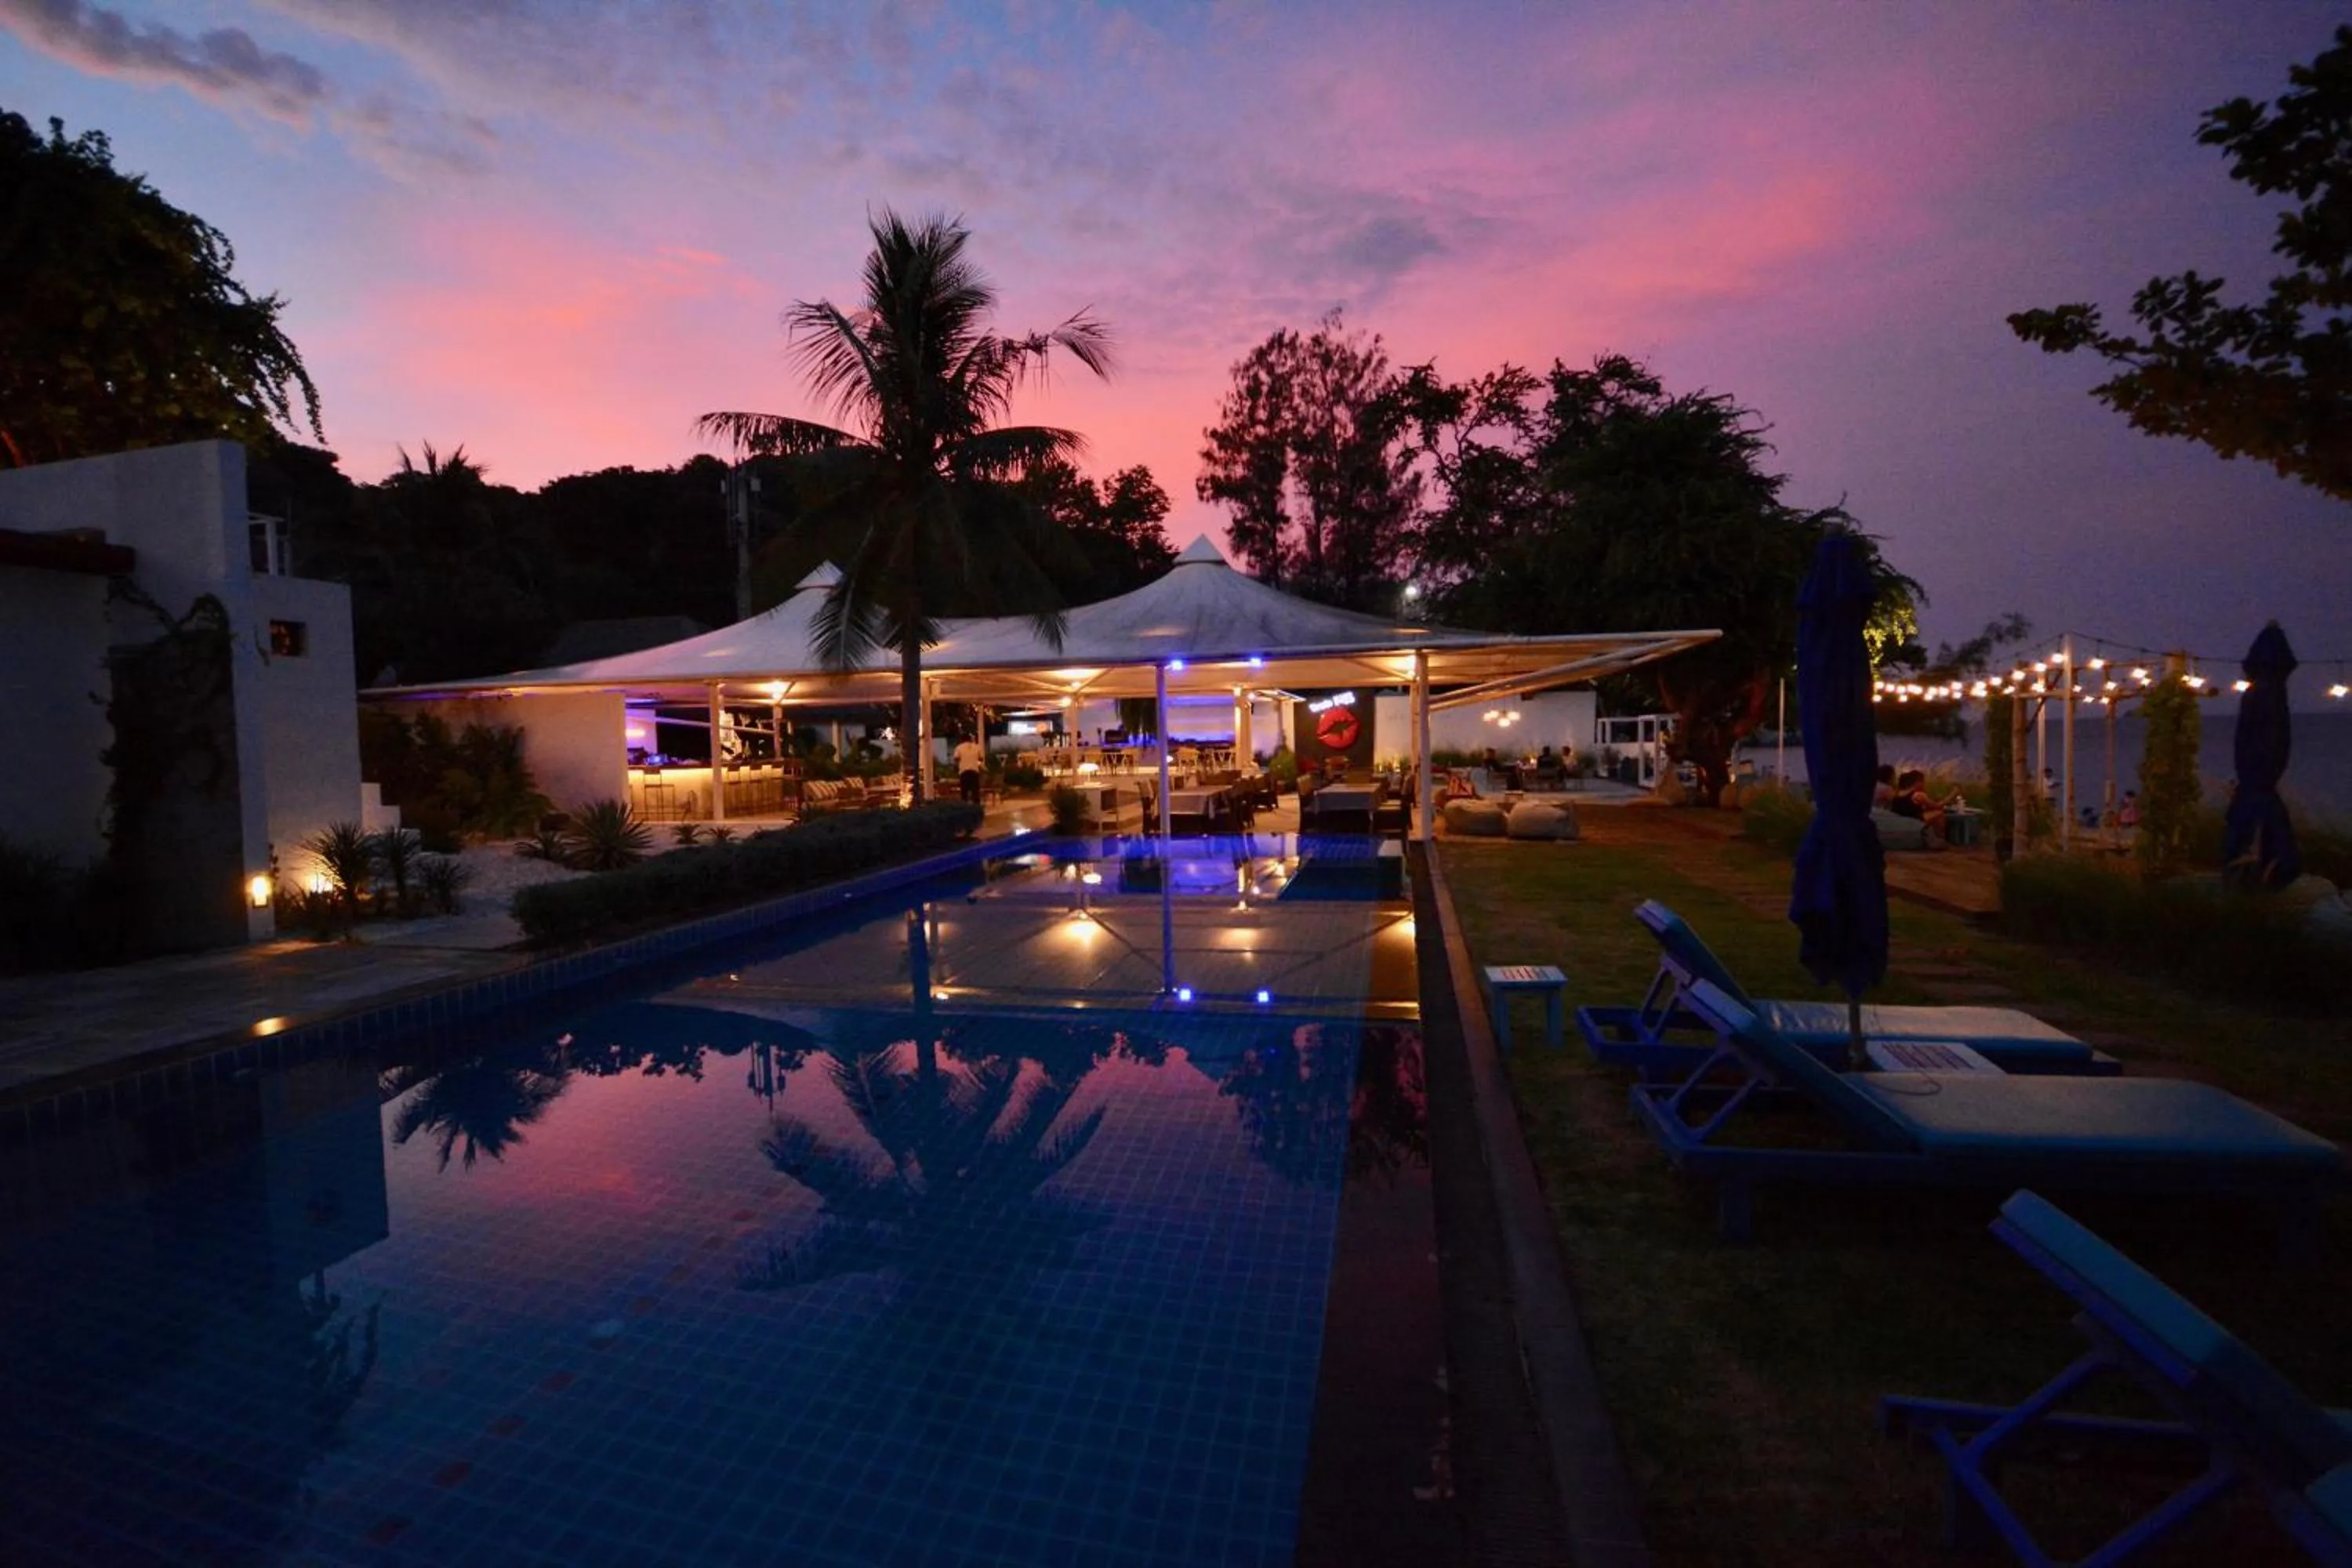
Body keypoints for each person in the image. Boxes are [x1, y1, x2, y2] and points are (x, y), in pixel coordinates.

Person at [953, 732, 986, 805]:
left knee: (964, 792)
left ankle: (965, 808)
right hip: (974, 771)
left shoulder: (959, 747)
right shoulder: (977, 747)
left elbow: (956, 759)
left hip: (964, 772)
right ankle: (976, 808)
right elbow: (981, 759)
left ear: (961, 739)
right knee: (975, 792)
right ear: (970, 739)